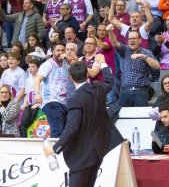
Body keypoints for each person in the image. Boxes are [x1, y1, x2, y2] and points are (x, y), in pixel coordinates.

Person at [44, 59, 123, 187]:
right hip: (98, 150)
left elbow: (72, 128)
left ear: (70, 77)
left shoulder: (75, 99)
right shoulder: (98, 89)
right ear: (87, 75)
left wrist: (55, 148)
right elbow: (109, 81)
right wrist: (103, 64)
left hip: (82, 155)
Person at [107, 24, 160, 106]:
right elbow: (114, 43)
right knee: (123, 117)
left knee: (139, 117)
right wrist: (110, 32)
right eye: (130, 38)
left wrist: (144, 57)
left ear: (140, 40)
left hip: (141, 92)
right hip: (125, 91)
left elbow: (156, 66)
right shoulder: (125, 50)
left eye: (134, 38)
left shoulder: (146, 52)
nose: (132, 40)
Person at [34, 42, 72, 137]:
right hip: (51, 101)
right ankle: (54, 151)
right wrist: (37, 94)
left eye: (63, 50)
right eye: (58, 50)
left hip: (64, 102)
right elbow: (38, 79)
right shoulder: (48, 64)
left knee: (64, 132)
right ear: (53, 52)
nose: (60, 52)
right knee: (57, 131)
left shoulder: (66, 64)